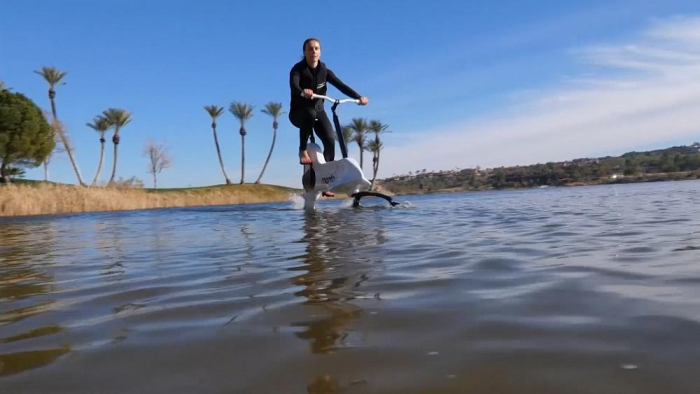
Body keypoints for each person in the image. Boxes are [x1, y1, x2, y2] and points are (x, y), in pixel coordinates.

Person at [289, 37, 369, 171]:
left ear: (320, 52)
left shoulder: (324, 71)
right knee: (309, 113)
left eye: (316, 48)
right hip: (299, 113)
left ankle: (328, 176)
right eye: (310, 49)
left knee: (330, 139)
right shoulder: (297, 70)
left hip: (319, 111)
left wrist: (359, 97)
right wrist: (303, 91)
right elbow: (294, 86)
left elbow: (341, 86)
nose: (313, 51)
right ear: (304, 52)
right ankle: (302, 150)